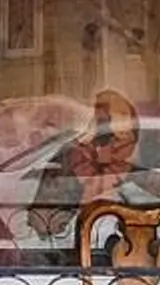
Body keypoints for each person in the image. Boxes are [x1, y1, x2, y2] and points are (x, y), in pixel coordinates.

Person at [29, 89, 142, 260]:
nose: (114, 126)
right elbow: (42, 220)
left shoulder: (137, 174)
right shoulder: (69, 159)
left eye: (122, 117)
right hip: (62, 261)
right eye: (105, 118)